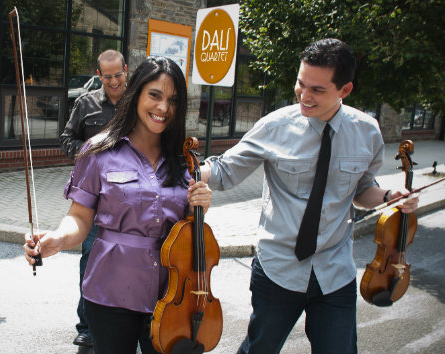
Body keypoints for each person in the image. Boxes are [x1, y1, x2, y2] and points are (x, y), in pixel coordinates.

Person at [200, 38, 419, 354]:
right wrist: (184, 172)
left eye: (317, 90)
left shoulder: (367, 131)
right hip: (278, 268)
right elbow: (225, 171)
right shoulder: (275, 126)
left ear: (344, 90)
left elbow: (362, 190)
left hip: (335, 270)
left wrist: (389, 196)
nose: (304, 95)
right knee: (259, 348)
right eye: (301, 84)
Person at [24, 56, 212, 354]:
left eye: (173, 100)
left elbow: (186, 229)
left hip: (171, 294)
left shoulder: (183, 160)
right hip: (110, 291)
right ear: (136, 93)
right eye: (155, 95)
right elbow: (80, 217)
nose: (163, 108)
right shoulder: (98, 151)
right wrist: (57, 240)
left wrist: (199, 207)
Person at [58, 49, 128, 347]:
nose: (114, 82)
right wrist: (90, 152)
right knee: (91, 259)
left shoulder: (137, 101)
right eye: (108, 76)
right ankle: (86, 325)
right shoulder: (86, 103)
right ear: (99, 75)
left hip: (129, 198)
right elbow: (66, 139)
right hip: (96, 197)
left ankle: (127, 322)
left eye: (118, 75)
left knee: (128, 261)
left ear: (126, 70)